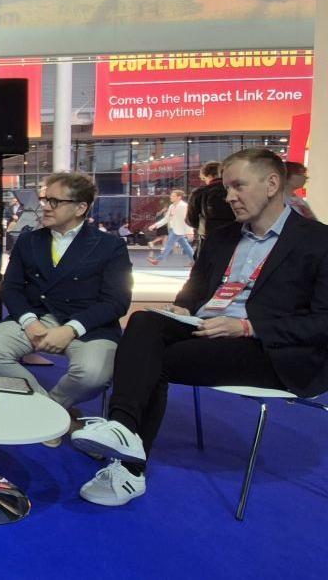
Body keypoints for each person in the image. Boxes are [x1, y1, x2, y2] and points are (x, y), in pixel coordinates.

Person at [71, 148, 328, 506]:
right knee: (144, 321)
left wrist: (246, 327)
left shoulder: (317, 241)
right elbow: (194, 290)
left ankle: (129, 467)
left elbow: (321, 321)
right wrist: (182, 307)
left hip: (270, 348)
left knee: (154, 361)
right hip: (205, 329)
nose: (229, 197)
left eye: (238, 186)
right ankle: (122, 429)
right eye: (226, 188)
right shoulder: (223, 237)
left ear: (272, 184)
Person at [0, 172, 133, 446]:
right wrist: (29, 321)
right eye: (45, 199)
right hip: (36, 319)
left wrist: (71, 329)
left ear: (80, 207)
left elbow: (116, 301)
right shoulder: (28, 241)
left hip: (88, 326)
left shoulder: (109, 246)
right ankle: (55, 417)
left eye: (55, 201)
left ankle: (50, 412)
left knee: (93, 374)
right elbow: (11, 289)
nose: (45, 206)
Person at [147, 190, 194, 266]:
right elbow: (166, 219)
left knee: (168, 245)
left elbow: (188, 219)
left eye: (173, 196)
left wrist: (190, 232)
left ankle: (157, 260)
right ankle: (195, 261)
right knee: (186, 246)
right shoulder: (171, 206)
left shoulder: (183, 206)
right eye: (171, 195)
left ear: (179, 197)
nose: (170, 197)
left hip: (178, 230)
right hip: (173, 229)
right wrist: (155, 225)